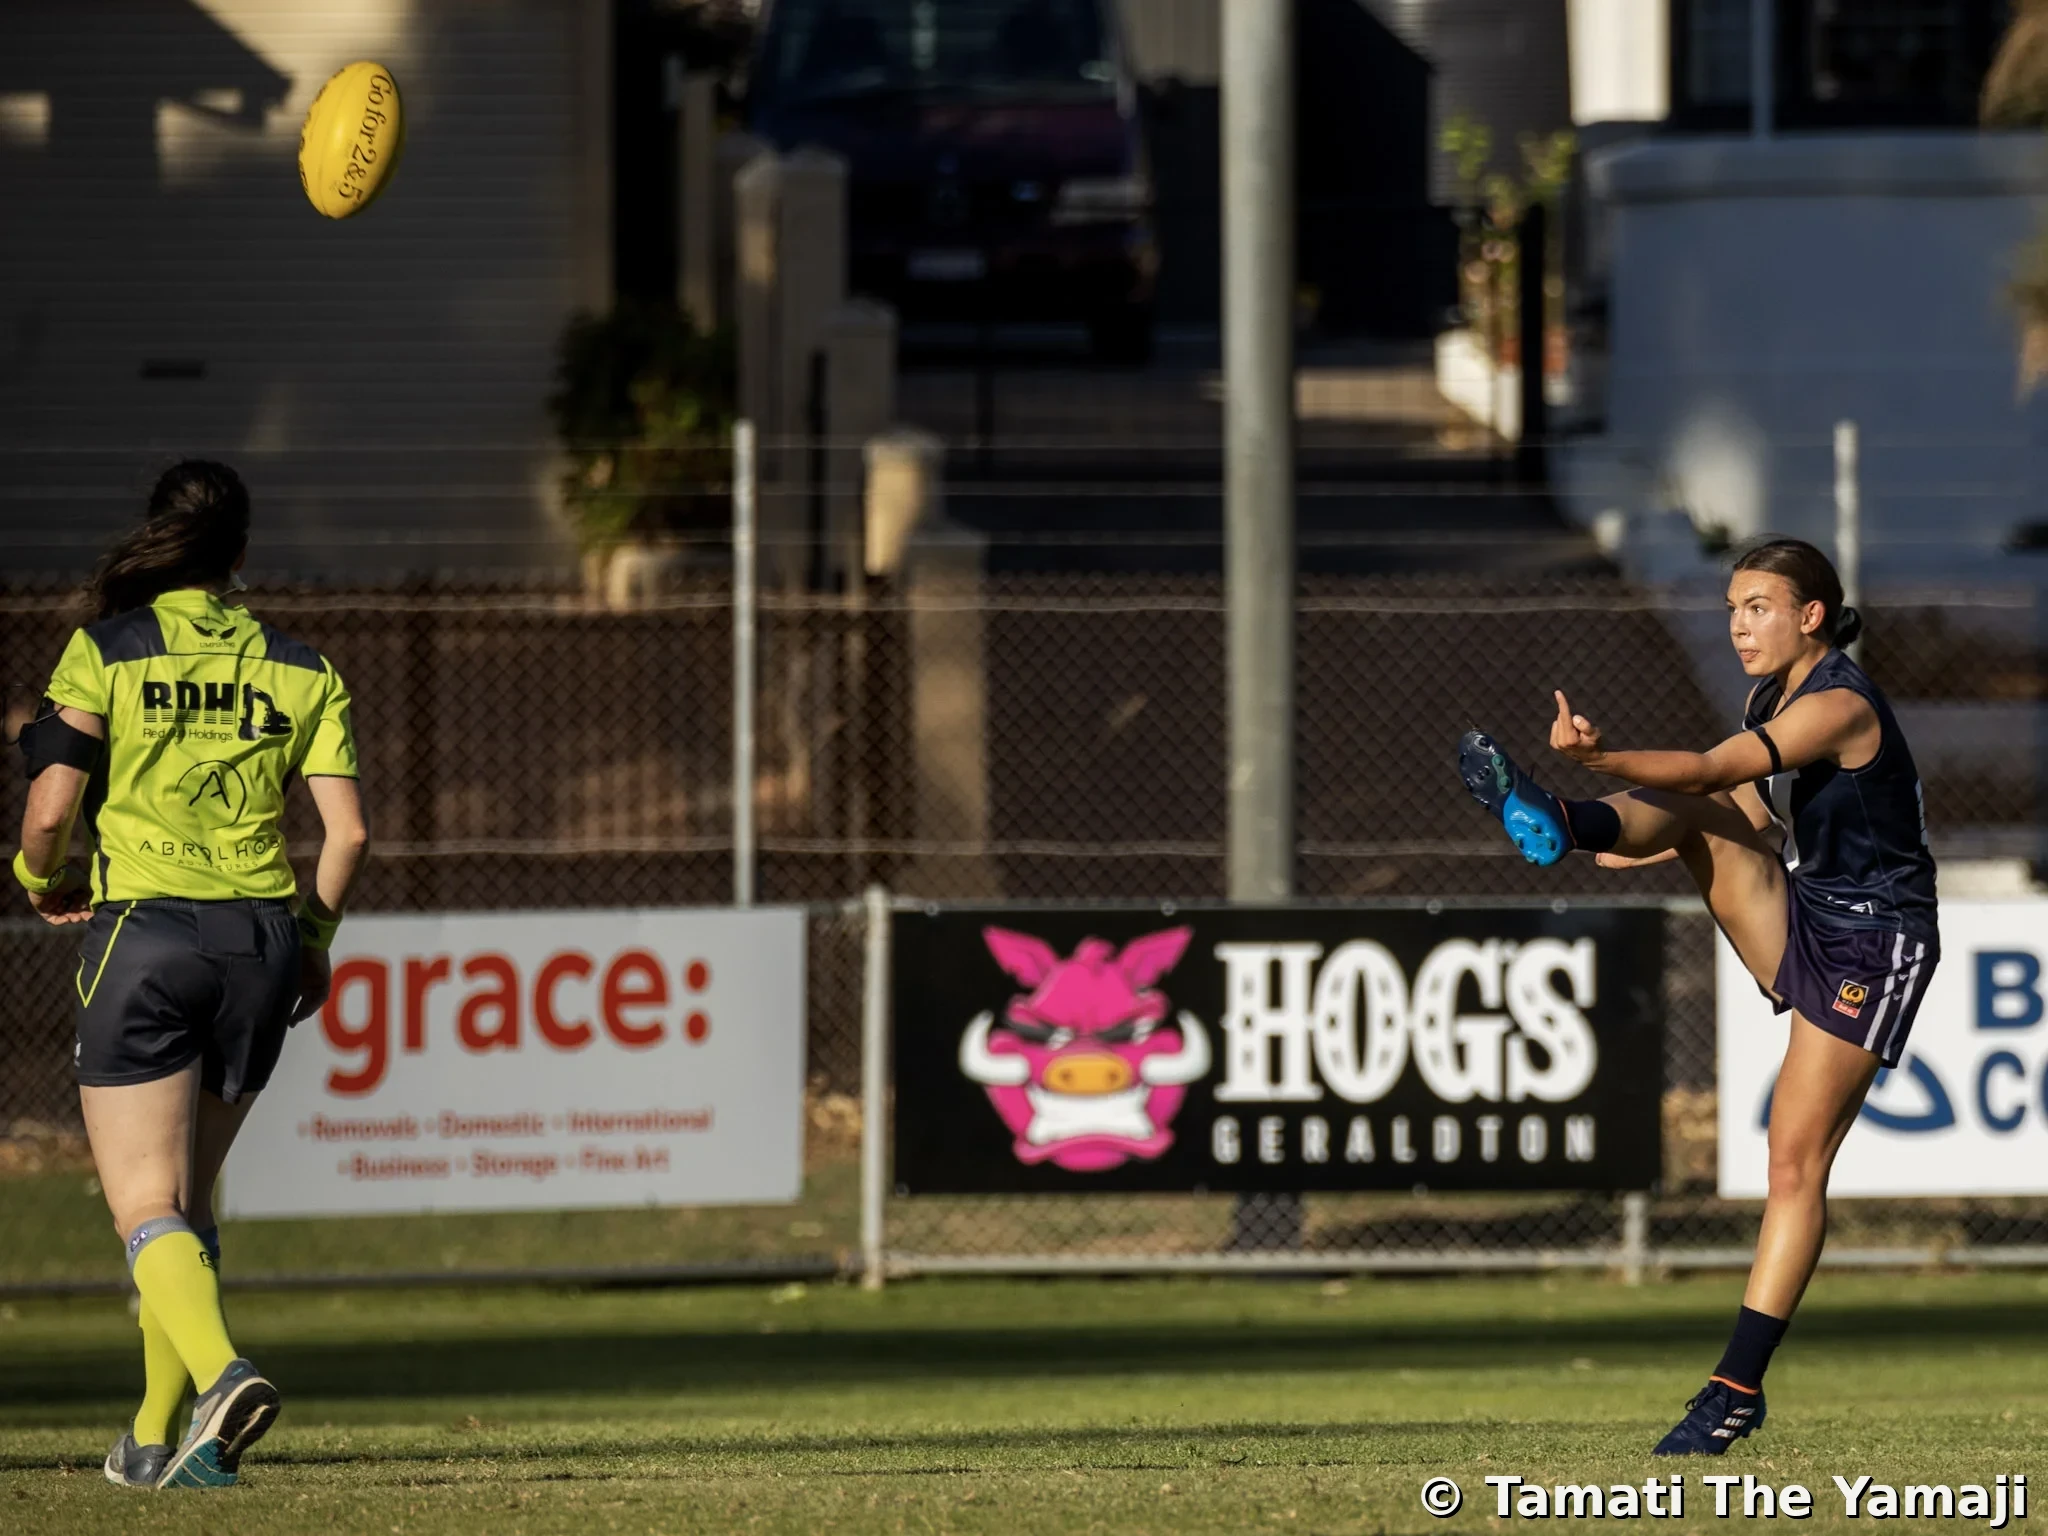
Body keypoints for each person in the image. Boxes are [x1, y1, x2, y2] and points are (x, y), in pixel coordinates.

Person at [1457, 537, 1937, 1456]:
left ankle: (1735, 1389)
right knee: (1688, 808)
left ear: (1811, 615)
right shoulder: (1773, 695)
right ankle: (1560, 823)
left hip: (1877, 943)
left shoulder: (1836, 702)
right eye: (1729, 607)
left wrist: (1606, 767)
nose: (1739, 624)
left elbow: (1717, 772)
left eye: (1758, 605)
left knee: (1793, 1164)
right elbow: (1742, 812)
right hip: (1810, 907)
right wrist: (1646, 827)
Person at [11, 461, 369, 1489]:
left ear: (159, 537)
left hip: (148, 938)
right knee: (187, 1204)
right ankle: (158, 1442)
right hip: (259, 941)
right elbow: (347, 835)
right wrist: (313, 938)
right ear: (241, 558)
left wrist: (39, 878)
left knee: (139, 1205)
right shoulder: (304, 667)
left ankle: (222, 1374)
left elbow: (47, 812)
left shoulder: (105, 651)